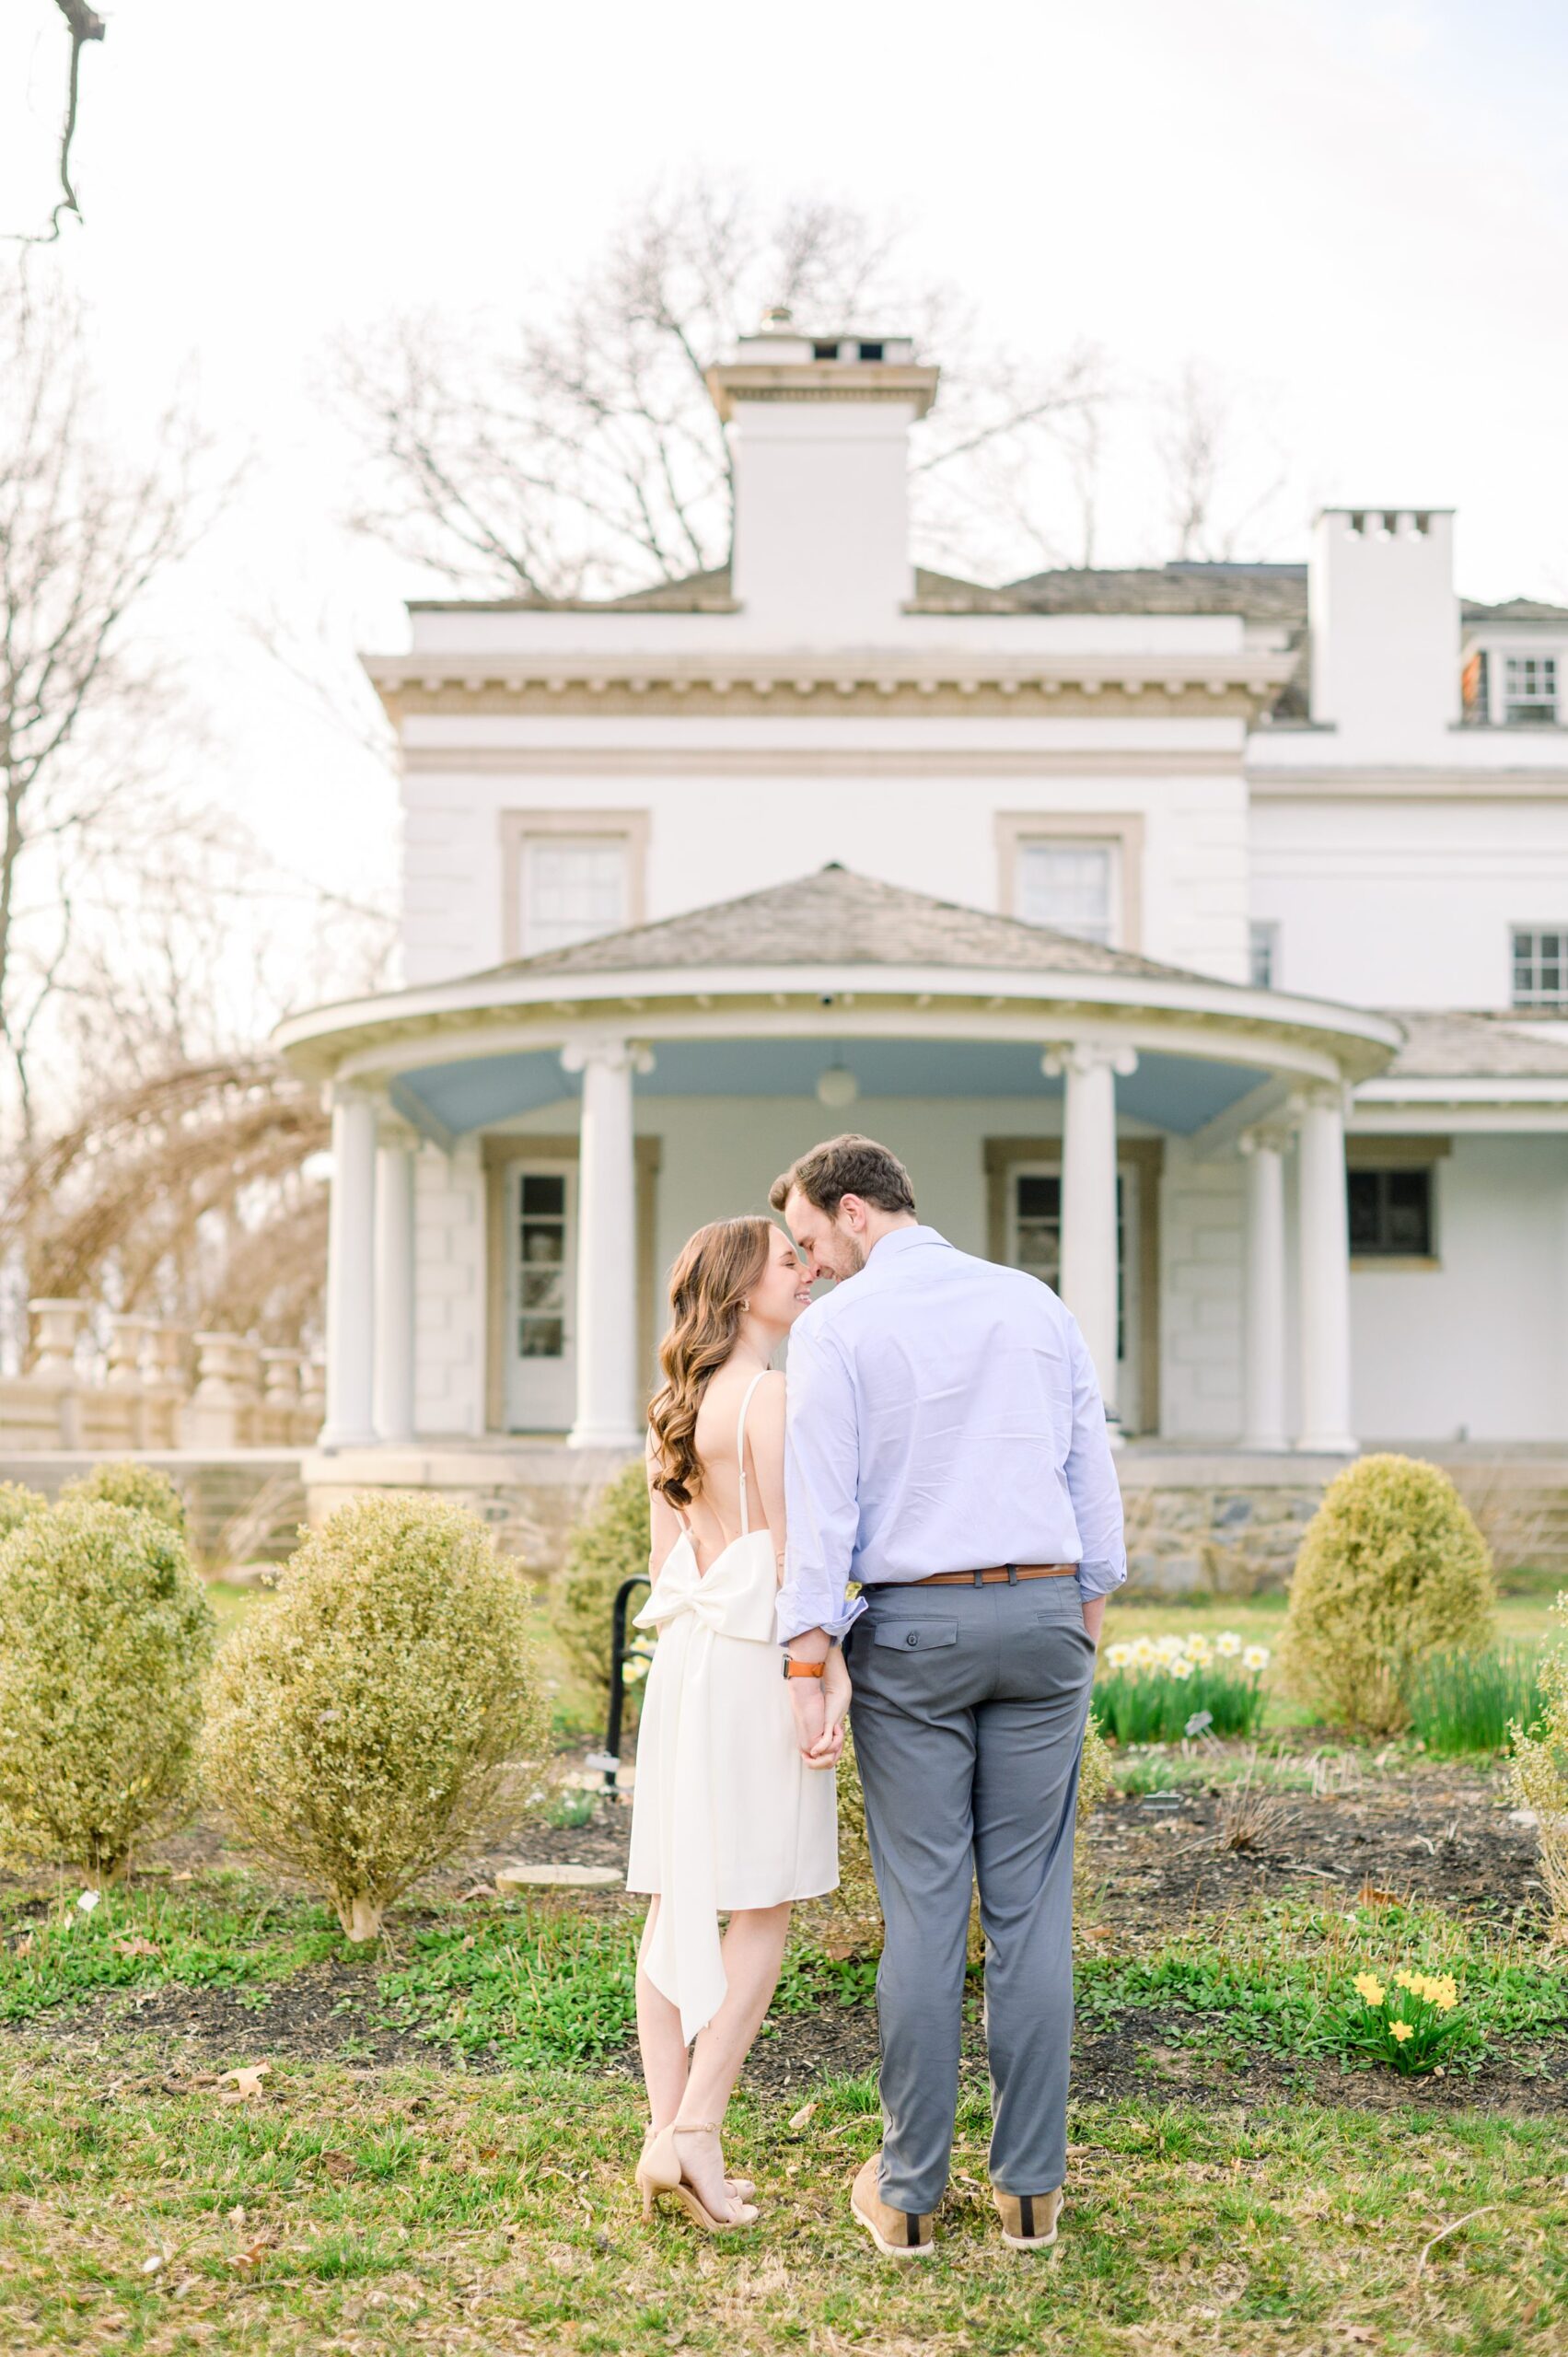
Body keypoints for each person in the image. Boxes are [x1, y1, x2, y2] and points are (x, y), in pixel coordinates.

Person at [771, 1134, 1126, 2260]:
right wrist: (1081, 1615)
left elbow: (821, 1506)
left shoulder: (838, 1328)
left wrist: (803, 1656)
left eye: (808, 1237)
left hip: (914, 1627)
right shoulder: (1032, 1302)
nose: (807, 1263)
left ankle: (911, 2193)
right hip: (1042, 1615)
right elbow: (1088, 1473)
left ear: (854, 1210)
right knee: (1030, 1910)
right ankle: (1031, 2194)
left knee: (926, 1911)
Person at [628, 1215, 847, 2234]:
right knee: (762, 1901)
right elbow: (801, 1561)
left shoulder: (670, 1410)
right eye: (785, 1261)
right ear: (738, 1288)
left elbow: (674, 1558)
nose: (802, 1272)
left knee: (680, 1894)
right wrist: (822, 1670)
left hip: (684, 1663)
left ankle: (661, 2133)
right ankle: (695, 2133)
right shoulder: (771, 1397)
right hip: (758, 1660)